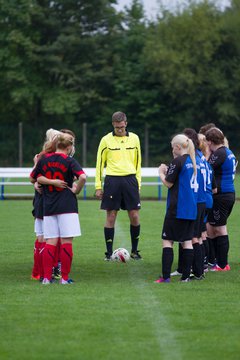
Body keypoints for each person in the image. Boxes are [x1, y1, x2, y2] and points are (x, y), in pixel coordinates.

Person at [30, 132, 86, 284]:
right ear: (68, 147)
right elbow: (83, 177)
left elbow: (33, 178)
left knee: (50, 242)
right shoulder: (69, 161)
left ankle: (46, 278)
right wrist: (77, 190)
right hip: (67, 205)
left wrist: (50, 182)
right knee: (66, 242)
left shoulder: (44, 160)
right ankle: (65, 279)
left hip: (49, 205)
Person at [95, 111, 142, 260]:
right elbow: (99, 164)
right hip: (112, 181)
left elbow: (138, 163)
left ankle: (135, 251)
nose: (120, 130)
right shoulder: (105, 140)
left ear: (126, 124)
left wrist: (138, 185)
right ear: (113, 125)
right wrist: (98, 186)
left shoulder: (135, 138)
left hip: (130, 180)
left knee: (134, 215)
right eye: (117, 128)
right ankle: (109, 253)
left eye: (122, 127)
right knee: (111, 216)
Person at [155, 134, 197, 283]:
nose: (172, 150)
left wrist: (161, 172)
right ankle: (185, 277)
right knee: (187, 241)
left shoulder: (177, 160)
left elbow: (169, 184)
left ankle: (165, 277)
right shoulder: (192, 160)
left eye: (173, 147)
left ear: (178, 147)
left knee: (167, 240)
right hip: (191, 207)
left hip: (177, 207)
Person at [205, 127, 237, 271]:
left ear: (210, 141)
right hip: (227, 194)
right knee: (212, 228)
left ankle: (223, 265)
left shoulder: (219, 154)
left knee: (220, 229)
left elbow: (205, 168)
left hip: (222, 196)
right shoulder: (229, 152)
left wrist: (206, 153)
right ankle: (215, 261)